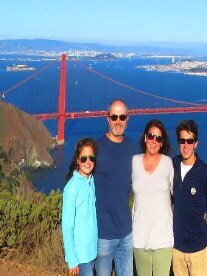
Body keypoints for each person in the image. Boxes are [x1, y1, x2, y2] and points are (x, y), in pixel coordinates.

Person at [94, 99, 136, 276]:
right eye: (114, 117)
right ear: (107, 118)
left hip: (126, 233)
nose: (118, 121)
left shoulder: (133, 148)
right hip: (103, 234)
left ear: (128, 119)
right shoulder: (96, 149)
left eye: (122, 117)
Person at [172, 119, 207, 276]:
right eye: (182, 140)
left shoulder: (205, 173)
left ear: (196, 143)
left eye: (190, 141)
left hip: (198, 250)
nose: (186, 145)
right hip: (176, 249)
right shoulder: (172, 165)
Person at [132, 119, 174, 276]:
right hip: (139, 237)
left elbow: (178, 195)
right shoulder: (134, 162)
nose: (154, 141)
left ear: (162, 143)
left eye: (158, 138)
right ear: (145, 138)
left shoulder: (168, 164)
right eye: (151, 136)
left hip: (163, 238)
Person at [62, 138, 98, 276]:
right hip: (81, 256)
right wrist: (72, 260)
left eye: (91, 158)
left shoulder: (91, 181)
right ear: (77, 160)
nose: (88, 162)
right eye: (84, 158)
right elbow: (67, 226)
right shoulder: (71, 188)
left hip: (93, 251)